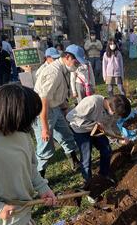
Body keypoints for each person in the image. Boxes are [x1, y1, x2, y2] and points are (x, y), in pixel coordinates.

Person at [0, 84, 56, 224]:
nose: (33, 122)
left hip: (24, 216)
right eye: (30, 117)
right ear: (15, 114)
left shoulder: (21, 133)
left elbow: (30, 166)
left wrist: (42, 187)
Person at [33, 44, 81, 178]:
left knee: (66, 135)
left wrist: (64, 108)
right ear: (67, 57)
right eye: (76, 62)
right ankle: (39, 178)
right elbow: (43, 100)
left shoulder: (63, 70)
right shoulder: (53, 72)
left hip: (55, 109)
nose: (77, 65)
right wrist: (44, 127)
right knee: (45, 147)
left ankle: (74, 161)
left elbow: (59, 93)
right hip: (43, 111)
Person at [66, 94, 131, 189]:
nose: (117, 117)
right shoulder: (92, 102)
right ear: (111, 110)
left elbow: (111, 125)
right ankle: (89, 184)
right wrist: (92, 124)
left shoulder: (114, 111)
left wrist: (119, 138)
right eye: (117, 115)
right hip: (81, 130)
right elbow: (70, 117)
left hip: (98, 130)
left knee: (106, 150)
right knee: (86, 157)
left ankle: (103, 175)